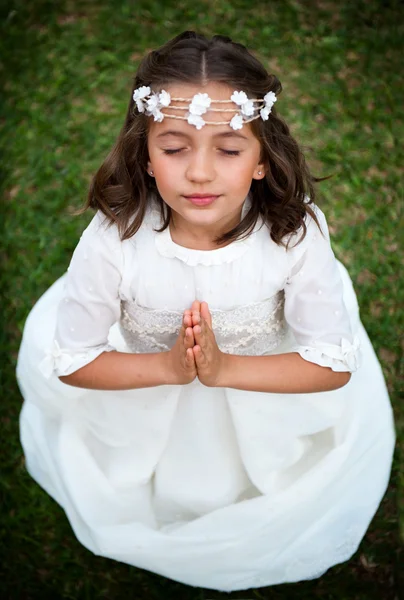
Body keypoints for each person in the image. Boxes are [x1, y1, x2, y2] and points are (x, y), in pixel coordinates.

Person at [16, 31, 395, 592]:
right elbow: (72, 361)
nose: (199, 172)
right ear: (144, 155)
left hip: (267, 388)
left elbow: (332, 365)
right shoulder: (112, 242)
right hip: (143, 388)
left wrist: (223, 371)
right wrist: (172, 369)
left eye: (229, 148)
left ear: (263, 160)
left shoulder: (294, 234)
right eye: (174, 148)